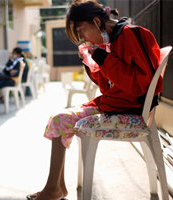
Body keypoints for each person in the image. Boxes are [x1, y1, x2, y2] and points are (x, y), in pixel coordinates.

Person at [26, 0, 162, 199]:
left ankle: (54, 189)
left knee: (59, 119)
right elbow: (107, 87)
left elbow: (142, 85)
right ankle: (56, 188)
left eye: (81, 30)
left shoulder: (131, 34)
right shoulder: (111, 41)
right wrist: (93, 65)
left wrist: (104, 59)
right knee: (58, 119)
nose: (82, 37)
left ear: (97, 22)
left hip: (131, 111)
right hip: (116, 105)